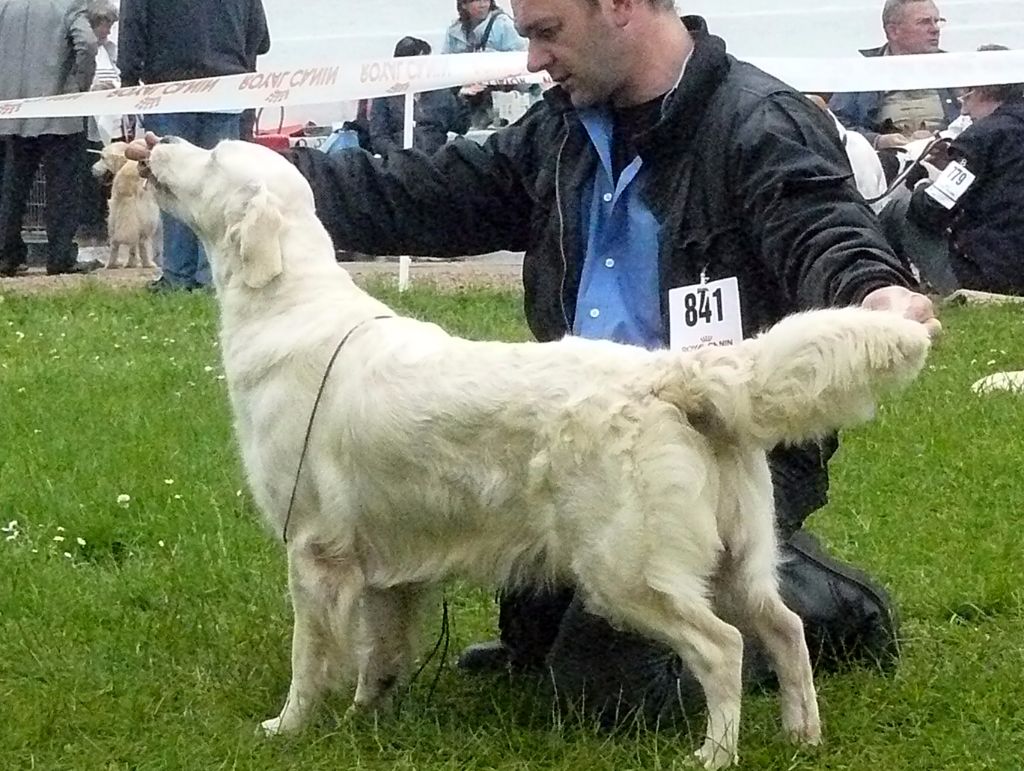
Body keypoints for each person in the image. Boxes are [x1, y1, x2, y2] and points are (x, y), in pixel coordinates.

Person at [129, 0, 940, 725]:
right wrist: (255, 184)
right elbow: (422, 191)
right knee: (538, 644)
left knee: (610, 685)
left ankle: (816, 599)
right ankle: (599, 612)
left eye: (547, 32)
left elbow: (818, 223)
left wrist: (871, 291)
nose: (532, 59)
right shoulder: (559, 130)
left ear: (621, 7)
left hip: (720, 433)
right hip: (569, 438)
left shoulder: (758, 122)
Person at [118, 0, 270, 292]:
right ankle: (211, 274)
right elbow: (260, 38)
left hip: (167, 89)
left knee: (171, 182)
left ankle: (177, 274)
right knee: (219, 185)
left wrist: (128, 78)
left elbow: (132, 28)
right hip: (227, 88)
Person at [883, 47, 1024, 295]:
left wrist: (922, 186)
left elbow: (934, 208)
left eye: (965, 95)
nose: (964, 110)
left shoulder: (981, 137)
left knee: (900, 208)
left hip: (992, 275)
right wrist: (952, 167)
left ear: (981, 90)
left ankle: (884, 289)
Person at [0, 0, 102, 277]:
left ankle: (7, 255)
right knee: (63, 187)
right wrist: (80, 86)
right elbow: (88, 45)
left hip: (13, 110)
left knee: (13, 185)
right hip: (61, 110)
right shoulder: (70, 5)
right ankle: (60, 256)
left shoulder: (7, 5)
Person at [829, 0, 960, 150]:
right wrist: (877, 141)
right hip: (885, 162)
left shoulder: (954, 68)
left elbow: (977, 120)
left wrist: (942, 137)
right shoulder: (864, 72)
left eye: (937, 21)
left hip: (947, 160)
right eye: (924, 22)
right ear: (893, 31)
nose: (935, 29)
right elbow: (834, 125)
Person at [369, 37, 471, 156]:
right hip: (398, 161)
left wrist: (462, 98)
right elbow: (378, 137)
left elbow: (461, 127)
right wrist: (398, 155)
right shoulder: (385, 95)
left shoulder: (441, 93)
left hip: (437, 160)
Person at [443, 0, 529, 129]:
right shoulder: (454, 31)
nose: (482, 5)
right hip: (467, 96)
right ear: (463, 5)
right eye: (476, 1)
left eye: (486, 0)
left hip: (502, 95)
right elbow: (446, 64)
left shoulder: (504, 25)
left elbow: (522, 60)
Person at [80, 0, 123, 242]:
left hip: (112, 124)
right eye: (104, 25)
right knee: (90, 176)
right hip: (89, 126)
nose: (108, 30)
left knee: (109, 178)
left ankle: (107, 227)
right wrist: (94, 88)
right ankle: (89, 227)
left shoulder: (111, 50)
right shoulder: (85, 49)